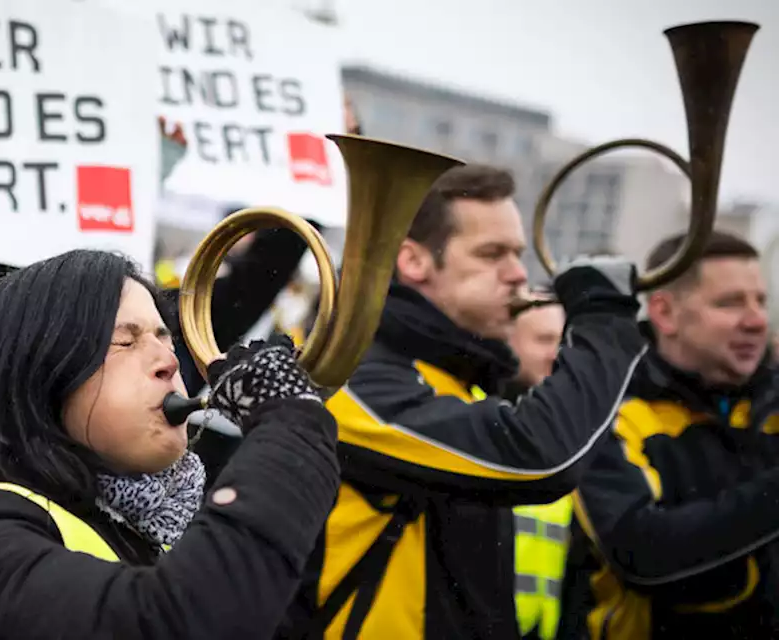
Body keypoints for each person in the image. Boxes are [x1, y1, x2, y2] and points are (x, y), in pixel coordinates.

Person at [0, 249, 339, 639]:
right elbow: (176, 623)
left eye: (164, 338)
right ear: (40, 372)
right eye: (125, 343)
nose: (168, 362)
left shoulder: (136, 521)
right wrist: (289, 427)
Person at [290, 165, 647, 638]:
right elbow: (536, 457)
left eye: (518, 254)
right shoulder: (344, 377)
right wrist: (603, 324)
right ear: (414, 260)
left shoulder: (453, 379)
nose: (519, 274)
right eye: (492, 254)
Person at [565, 231, 779, 639]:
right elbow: (642, 553)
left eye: (761, 301)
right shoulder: (610, 411)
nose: (755, 320)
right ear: (664, 313)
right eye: (730, 302)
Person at [504, 297, 575, 640]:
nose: (557, 354)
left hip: (543, 626)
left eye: (563, 342)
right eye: (544, 340)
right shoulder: (472, 417)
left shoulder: (571, 430)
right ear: (508, 342)